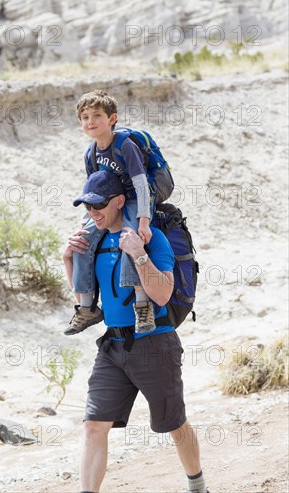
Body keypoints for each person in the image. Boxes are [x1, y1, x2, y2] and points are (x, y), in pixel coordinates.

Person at [63, 170, 209, 493]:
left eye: (98, 205)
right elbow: (86, 300)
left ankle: (198, 486)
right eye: (87, 207)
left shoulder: (152, 238)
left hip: (154, 343)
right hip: (113, 346)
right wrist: (69, 259)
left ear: (119, 202)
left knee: (175, 425)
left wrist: (139, 255)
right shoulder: (96, 244)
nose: (92, 213)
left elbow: (162, 294)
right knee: (93, 426)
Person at [64, 89, 157, 336]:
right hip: (109, 201)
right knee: (82, 241)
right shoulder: (91, 153)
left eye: (97, 115)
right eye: (84, 117)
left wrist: (144, 222)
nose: (90, 122)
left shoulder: (124, 145)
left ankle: (142, 304)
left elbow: (141, 185)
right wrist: (86, 225)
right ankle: (86, 307)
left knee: (131, 238)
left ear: (112, 119)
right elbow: (92, 191)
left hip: (134, 199)